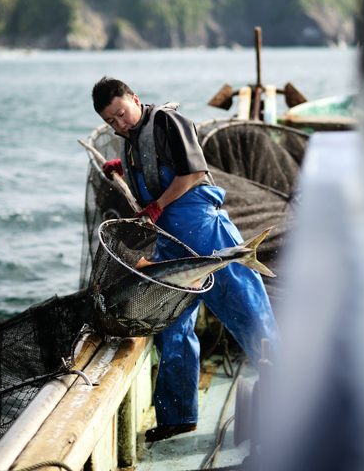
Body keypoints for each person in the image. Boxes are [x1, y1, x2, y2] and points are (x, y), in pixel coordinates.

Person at [91, 76, 281, 442]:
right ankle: (178, 415)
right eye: (111, 121)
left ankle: (290, 396)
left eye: (121, 114)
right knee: (172, 324)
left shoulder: (166, 121)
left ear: (135, 98)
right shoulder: (130, 142)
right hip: (170, 240)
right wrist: (122, 167)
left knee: (245, 307)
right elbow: (152, 171)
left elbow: (192, 172)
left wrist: (157, 207)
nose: (119, 124)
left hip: (202, 230)